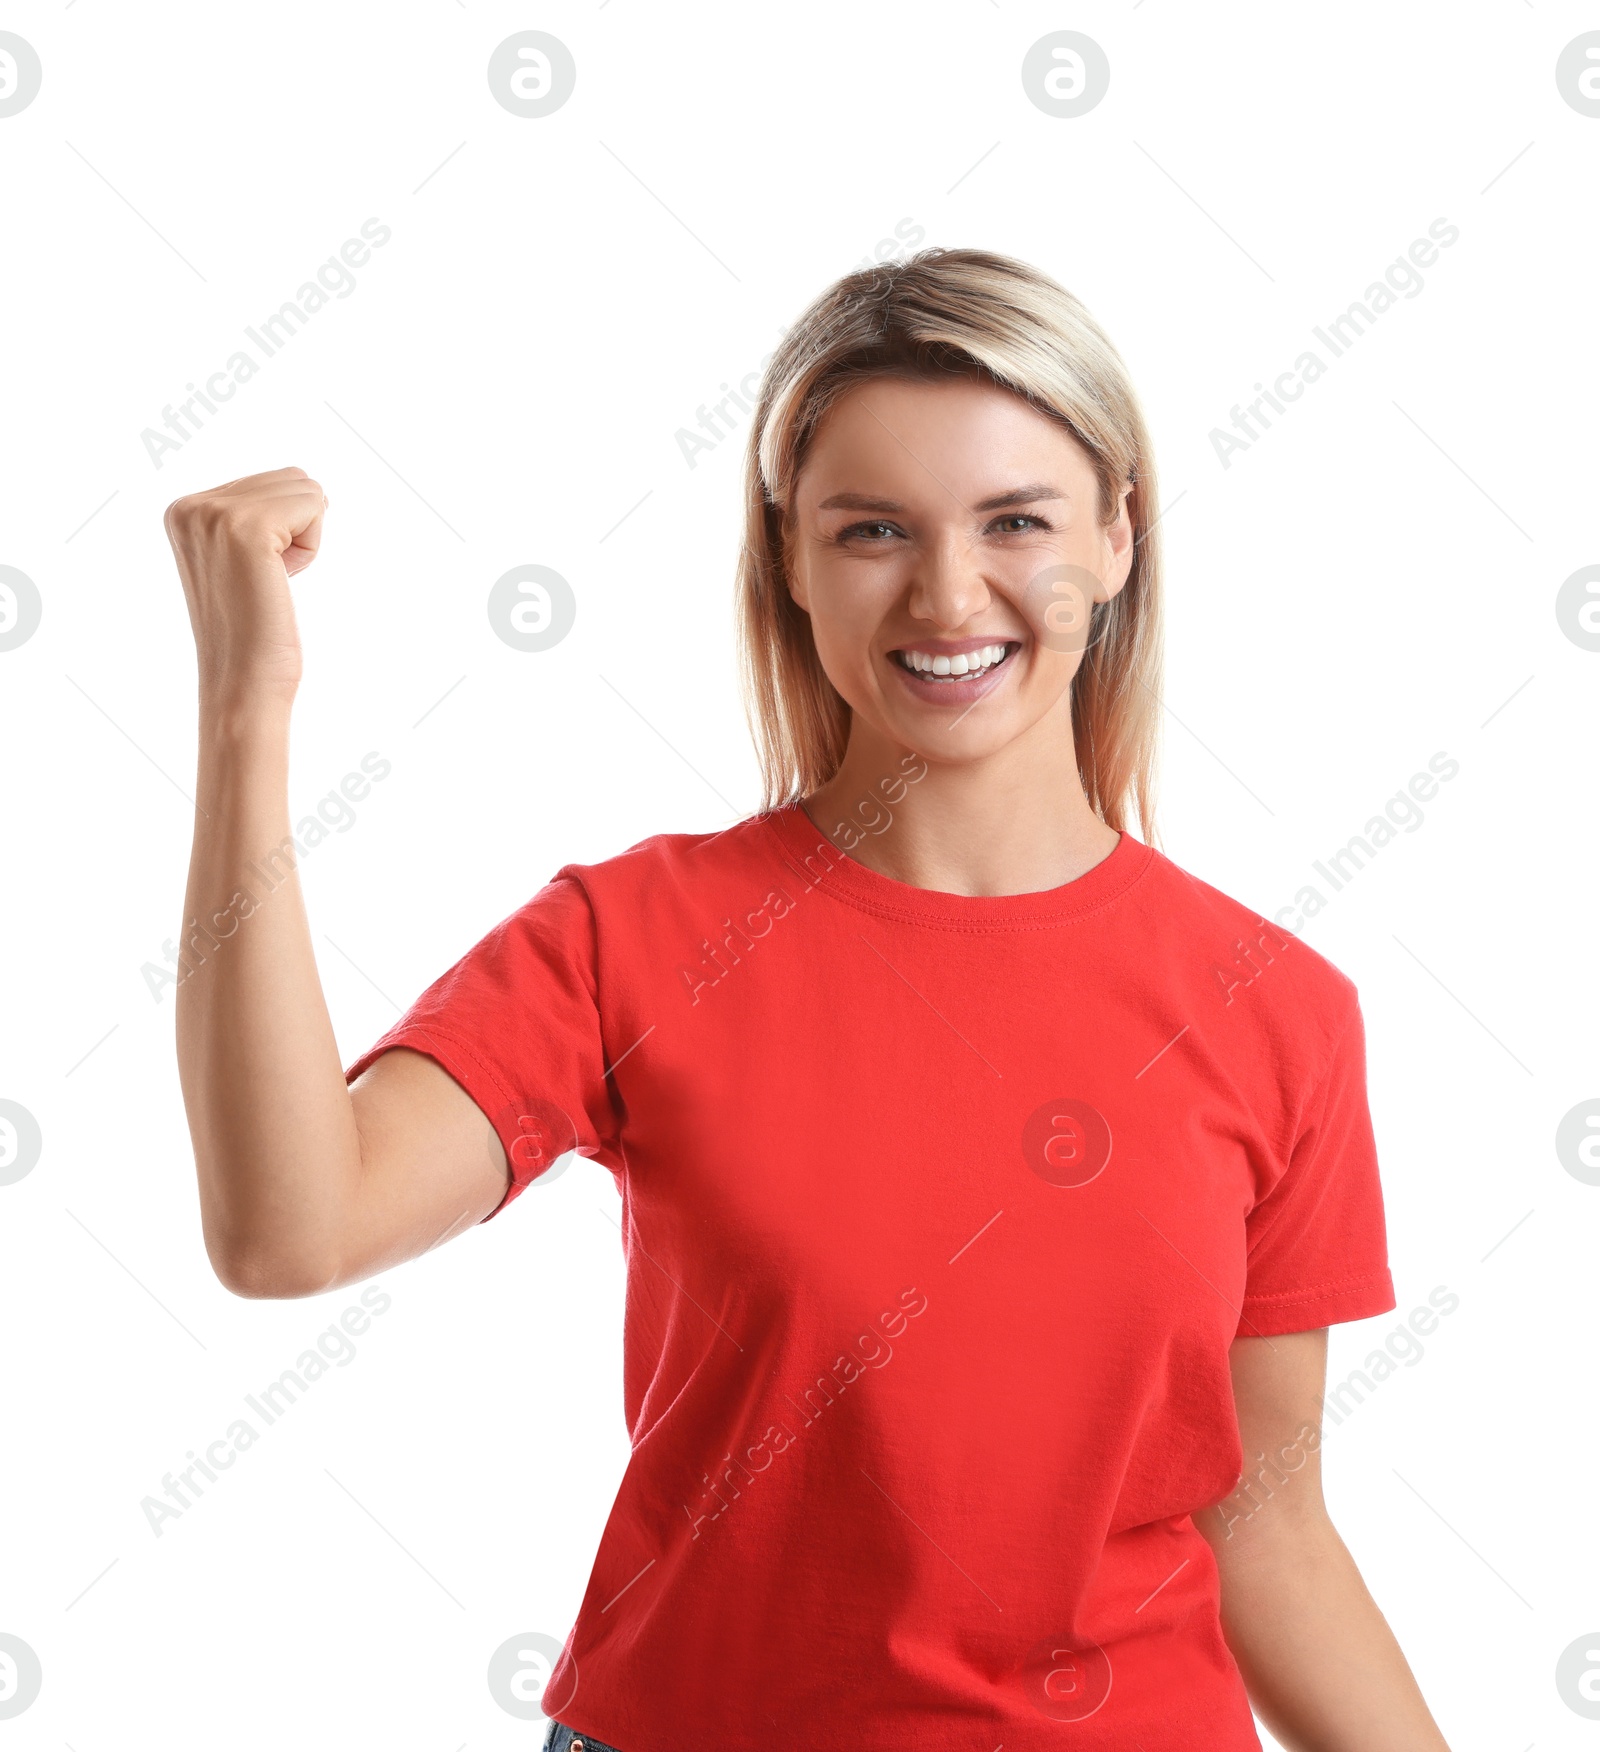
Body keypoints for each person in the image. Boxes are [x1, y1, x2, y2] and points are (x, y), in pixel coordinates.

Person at [163, 247, 1452, 1751]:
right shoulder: (631, 938)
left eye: (1016, 521)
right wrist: (245, 709)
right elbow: (287, 1229)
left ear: (1117, 535)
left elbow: (1269, 1530)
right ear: (790, 556)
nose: (948, 592)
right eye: (873, 531)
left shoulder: (1275, 1009)